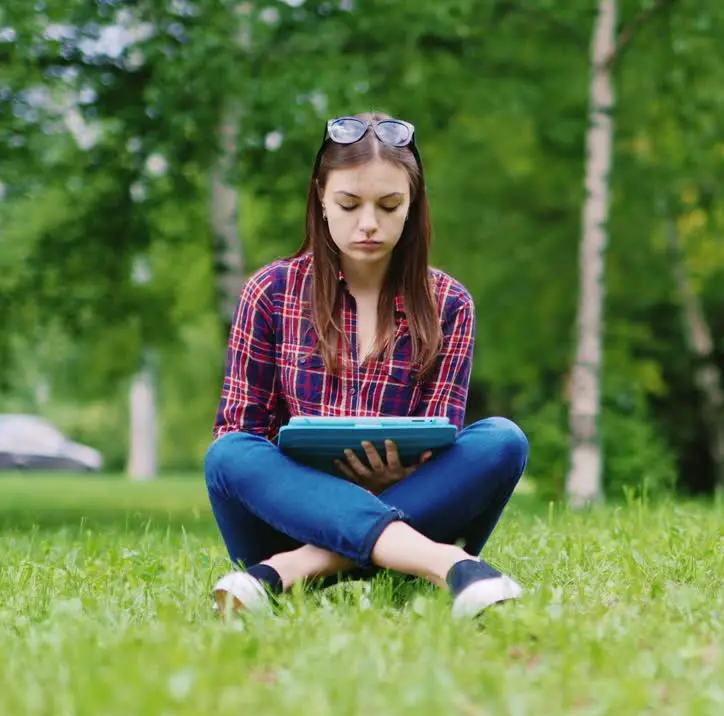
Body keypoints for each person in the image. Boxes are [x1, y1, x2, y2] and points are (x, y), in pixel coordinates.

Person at [203, 111, 530, 620]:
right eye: (350, 204)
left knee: (502, 440)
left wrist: (392, 479)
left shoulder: (450, 304)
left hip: (409, 504)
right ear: (320, 198)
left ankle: (286, 575)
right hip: (287, 518)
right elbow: (242, 438)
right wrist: (324, 484)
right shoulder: (270, 292)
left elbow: (442, 440)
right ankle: (449, 564)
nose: (369, 223)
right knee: (227, 455)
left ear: (412, 205)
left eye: (389, 205)